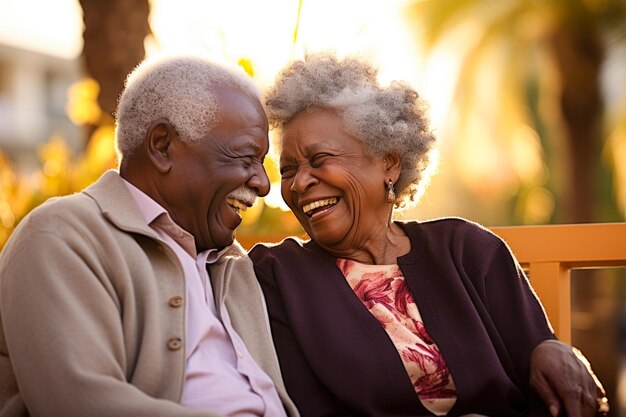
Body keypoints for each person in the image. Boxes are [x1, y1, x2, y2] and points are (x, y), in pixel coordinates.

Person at [249, 53, 607, 417]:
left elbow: (539, 359)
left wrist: (553, 348)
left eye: (320, 159)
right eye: (289, 169)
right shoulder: (276, 275)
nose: (299, 183)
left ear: (388, 163)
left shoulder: (467, 250)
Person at [0, 56, 298, 417]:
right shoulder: (61, 236)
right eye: (246, 157)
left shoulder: (233, 265)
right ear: (162, 146)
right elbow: (82, 405)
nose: (263, 185)